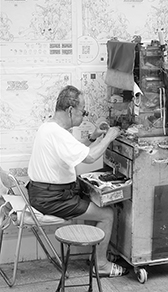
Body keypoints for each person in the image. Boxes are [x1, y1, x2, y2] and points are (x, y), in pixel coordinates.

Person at [27, 85, 128, 277]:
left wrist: (94, 137)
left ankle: (99, 252)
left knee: (96, 203)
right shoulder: (58, 134)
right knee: (107, 213)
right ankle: (101, 264)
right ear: (71, 110)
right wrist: (109, 137)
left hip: (43, 193)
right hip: (52, 198)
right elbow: (89, 158)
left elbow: (77, 151)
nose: (84, 117)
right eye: (83, 112)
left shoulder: (48, 128)